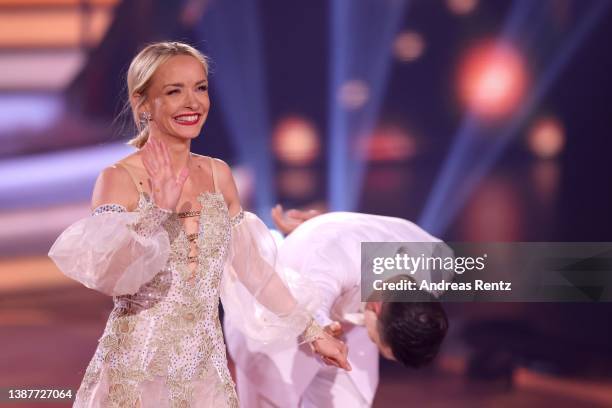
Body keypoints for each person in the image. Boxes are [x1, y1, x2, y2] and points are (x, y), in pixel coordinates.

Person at [48, 41, 348, 408]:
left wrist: (311, 330)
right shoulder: (118, 179)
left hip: (205, 374)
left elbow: (253, 270)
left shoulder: (218, 174)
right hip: (137, 372)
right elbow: (112, 275)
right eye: (174, 91)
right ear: (143, 103)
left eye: (200, 88)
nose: (193, 103)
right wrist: (158, 210)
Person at [225, 206, 451, 407]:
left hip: (346, 321)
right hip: (274, 318)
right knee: (271, 397)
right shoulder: (335, 258)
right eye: (376, 340)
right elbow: (315, 305)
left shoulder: (439, 263)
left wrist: (327, 223)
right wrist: (322, 332)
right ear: (377, 306)